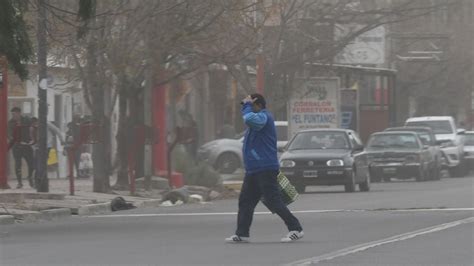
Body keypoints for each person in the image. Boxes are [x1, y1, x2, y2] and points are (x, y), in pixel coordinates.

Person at [225, 93, 303, 243]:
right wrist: (248, 105)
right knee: (245, 202)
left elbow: (249, 119)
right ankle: (242, 234)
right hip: (254, 169)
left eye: (251, 104)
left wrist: (246, 106)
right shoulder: (257, 119)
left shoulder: (264, 117)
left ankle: (296, 229)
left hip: (265, 168)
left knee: (274, 201)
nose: (247, 107)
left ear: (258, 104)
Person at [8, 107, 34, 188]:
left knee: (31, 164)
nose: (13, 116)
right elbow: (8, 133)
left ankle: (30, 178)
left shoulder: (27, 120)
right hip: (17, 146)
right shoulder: (10, 122)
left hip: (26, 145)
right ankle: (19, 182)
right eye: (12, 114)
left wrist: (32, 139)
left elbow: (32, 128)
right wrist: (11, 138)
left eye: (14, 114)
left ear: (19, 113)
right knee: (18, 164)